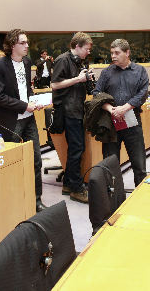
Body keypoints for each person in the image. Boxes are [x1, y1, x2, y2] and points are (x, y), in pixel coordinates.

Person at [0, 29, 46, 212]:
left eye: (27, 42)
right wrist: (24, 106)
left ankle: (36, 199)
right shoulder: (0, 65)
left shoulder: (27, 62)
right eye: (23, 43)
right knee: (13, 162)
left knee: (36, 160)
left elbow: (26, 89)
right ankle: (12, 201)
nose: (27, 45)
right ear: (12, 45)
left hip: (29, 118)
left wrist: (33, 102)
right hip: (11, 120)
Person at [92, 39, 149, 186]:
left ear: (127, 53)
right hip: (111, 124)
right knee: (111, 166)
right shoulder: (106, 73)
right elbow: (97, 94)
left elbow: (142, 94)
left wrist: (125, 107)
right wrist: (111, 109)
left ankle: (140, 197)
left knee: (139, 164)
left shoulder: (140, 71)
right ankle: (115, 198)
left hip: (132, 121)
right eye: (111, 53)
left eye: (117, 53)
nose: (113, 56)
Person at [51, 32, 93, 203]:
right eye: (87, 49)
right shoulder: (63, 59)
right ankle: (76, 189)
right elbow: (54, 84)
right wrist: (78, 79)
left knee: (76, 149)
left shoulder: (80, 61)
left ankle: (69, 183)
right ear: (77, 46)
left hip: (77, 108)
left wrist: (86, 79)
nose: (88, 52)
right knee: (77, 149)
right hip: (68, 111)